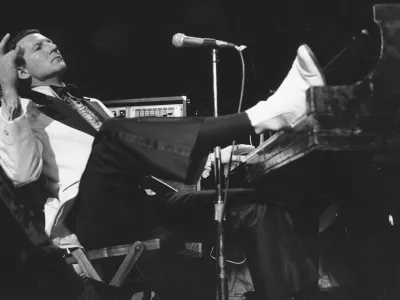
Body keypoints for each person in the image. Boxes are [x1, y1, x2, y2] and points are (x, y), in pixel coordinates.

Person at [0, 29, 325, 299]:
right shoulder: (19, 111)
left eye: (50, 41)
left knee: (255, 205)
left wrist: (220, 156)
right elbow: (21, 173)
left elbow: (145, 155)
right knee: (113, 134)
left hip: (142, 202)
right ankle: (266, 114)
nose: (52, 46)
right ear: (22, 70)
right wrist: (9, 94)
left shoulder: (93, 105)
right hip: (92, 218)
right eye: (38, 47)